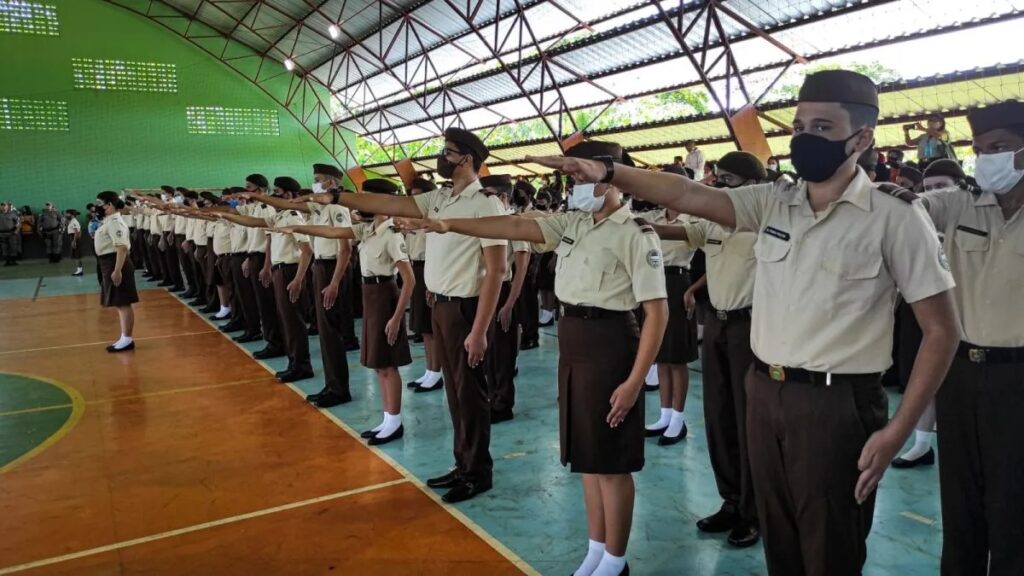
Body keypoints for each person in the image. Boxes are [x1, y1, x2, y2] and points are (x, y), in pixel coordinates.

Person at [527, 69, 961, 576]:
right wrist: (608, 172)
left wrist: (898, 430)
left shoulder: (895, 215)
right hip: (765, 390)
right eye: (799, 126)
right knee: (780, 540)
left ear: (861, 138)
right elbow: (686, 195)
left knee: (829, 545)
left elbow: (941, 330)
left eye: (822, 127)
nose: (804, 138)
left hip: (836, 404)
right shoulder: (776, 200)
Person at [400, 140, 667, 576]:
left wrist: (635, 381)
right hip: (574, 341)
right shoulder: (574, 224)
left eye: (581, 175)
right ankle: (595, 550)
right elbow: (518, 227)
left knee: (612, 461)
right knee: (586, 455)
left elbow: (657, 312)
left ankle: (616, 560)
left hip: (610, 344)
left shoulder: (636, 233)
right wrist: (449, 223)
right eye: (572, 176)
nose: (574, 183)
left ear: (614, 175)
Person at [329, 127, 508, 504]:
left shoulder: (486, 204)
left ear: (468, 159)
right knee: (455, 396)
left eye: (448, 152)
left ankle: (478, 472)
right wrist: (338, 196)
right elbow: (393, 205)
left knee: (470, 394)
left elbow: (495, 270)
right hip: (441, 305)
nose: (443, 158)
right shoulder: (440, 199)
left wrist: (480, 330)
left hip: (466, 308)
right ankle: (462, 463)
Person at [916, 100, 1024, 576]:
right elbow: (910, 207)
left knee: (1014, 502)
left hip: (1018, 379)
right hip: (960, 372)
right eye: (979, 149)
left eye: (999, 148)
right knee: (959, 498)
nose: (987, 160)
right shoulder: (960, 202)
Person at [651, 150, 765, 547]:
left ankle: (755, 512)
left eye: (728, 180)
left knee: (749, 420)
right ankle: (731, 500)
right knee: (719, 416)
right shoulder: (712, 221)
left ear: (753, 185)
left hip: (753, 328)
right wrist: (639, 227)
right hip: (717, 323)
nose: (719, 188)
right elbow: (680, 232)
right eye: (717, 179)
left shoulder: (766, 220)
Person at [278, 178, 415, 444]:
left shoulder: (391, 234)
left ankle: (395, 421)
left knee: (388, 363)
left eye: (366, 198)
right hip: (370, 295)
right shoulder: (368, 230)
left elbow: (409, 280)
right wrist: (297, 227)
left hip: (385, 295)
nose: (360, 204)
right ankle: (388, 419)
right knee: (378, 364)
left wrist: (398, 317)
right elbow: (334, 233)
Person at [221, 178, 314, 382]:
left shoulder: (292, 216)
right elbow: (255, 223)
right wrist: (222, 214)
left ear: (289, 196)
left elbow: (307, 251)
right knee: (285, 318)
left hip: (291, 270)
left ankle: (302, 365)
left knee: (293, 321)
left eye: (278, 192)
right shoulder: (279, 217)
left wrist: (299, 279)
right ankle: (294, 363)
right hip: (279, 270)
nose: (274, 197)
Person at [640, 177, 699, 446]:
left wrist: (692, 290)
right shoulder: (650, 215)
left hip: (678, 283)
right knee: (661, 356)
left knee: (677, 358)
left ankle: (678, 418)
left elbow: (712, 258)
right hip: (654, 283)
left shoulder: (693, 218)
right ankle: (664, 415)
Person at [478, 174, 531, 423]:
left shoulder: (513, 224)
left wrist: (510, 303)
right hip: (487, 289)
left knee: (503, 353)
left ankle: (503, 404)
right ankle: (490, 396)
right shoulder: (487, 223)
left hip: (506, 291)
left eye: (488, 195)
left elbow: (521, 267)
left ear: (502, 197)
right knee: (488, 352)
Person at [405, 177, 445, 393]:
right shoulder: (414, 220)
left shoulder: (434, 220)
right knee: (424, 328)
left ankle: (437, 372)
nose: (414, 200)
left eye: (418, 196)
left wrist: (432, 282)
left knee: (431, 326)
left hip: (429, 271)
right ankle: (430, 370)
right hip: (416, 269)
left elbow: (437, 253)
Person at [94, 191, 139, 353]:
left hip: (115, 262)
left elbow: (121, 247)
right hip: (108, 262)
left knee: (123, 302)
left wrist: (117, 270)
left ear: (109, 205)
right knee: (119, 303)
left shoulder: (114, 222)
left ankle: (127, 339)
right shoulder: (108, 221)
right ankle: (124, 337)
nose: (97, 206)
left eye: (100, 203)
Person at [65, 209, 83, 276]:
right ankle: (79, 269)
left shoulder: (74, 221)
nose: (66, 215)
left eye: (67, 214)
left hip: (74, 238)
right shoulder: (71, 221)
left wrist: (74, 241)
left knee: (77, 255)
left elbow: (76, 232)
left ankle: (79, 270)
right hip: (73, 238)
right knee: (76, 255)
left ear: (71, 215)